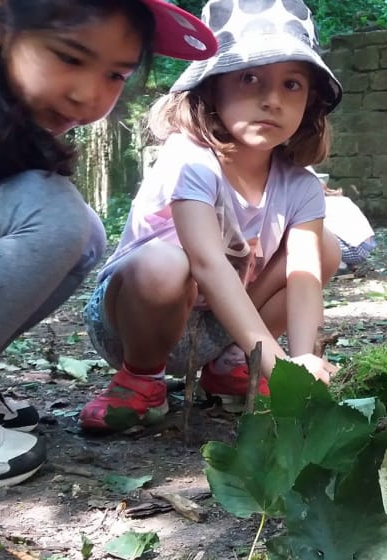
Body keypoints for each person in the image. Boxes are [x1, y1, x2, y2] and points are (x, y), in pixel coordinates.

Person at [0, 0, 217, 528]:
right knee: (52, 217)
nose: (89, 94)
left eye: (115, 74)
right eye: (68, 57)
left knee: (78, 232)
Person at [80, 0, 342, 430]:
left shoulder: (302, 187)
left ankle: (237, 365)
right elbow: (206, 263)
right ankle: (141, 380)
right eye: (250, 77)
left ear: (310, 100)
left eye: (291, 84)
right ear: (212, 87)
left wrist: (304, 360)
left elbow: (304, 280)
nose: (271, 99)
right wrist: (282, 367)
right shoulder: (191, 160)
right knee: (167, 263)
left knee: (323, 248)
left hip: (224, 326)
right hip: (137, 319)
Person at [321, 181, 376, 273]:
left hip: (354, 251)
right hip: (365, 247)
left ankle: (339, 265)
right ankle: (346, 262)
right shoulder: (343, 199)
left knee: (310, 229)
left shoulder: (320, 204)